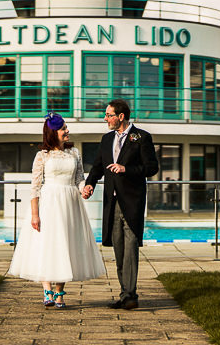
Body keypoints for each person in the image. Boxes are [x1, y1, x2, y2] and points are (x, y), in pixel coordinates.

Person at [8, 113, 105, 309]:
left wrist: (85, 188)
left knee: (66, 244)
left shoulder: (75, 153)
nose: (67, 131)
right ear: (54, 133)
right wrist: (35, 214)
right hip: (49, 203)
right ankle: (47, 289)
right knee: (48, 244)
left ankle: (60, 292)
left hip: (70, 203)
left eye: (66, 128)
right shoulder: (41, 156)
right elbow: (35, 188)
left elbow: (79, 179)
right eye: (63, 129)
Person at [82, 99, 159, 310]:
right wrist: (89, 184)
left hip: (132, 201)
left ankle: (131, 295)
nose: (105, 118)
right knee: (118, 248)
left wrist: (126, 169)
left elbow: (151, 168)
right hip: (112, 202)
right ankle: (125, 293)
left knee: (131, 247)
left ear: (121, 116)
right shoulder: (106, 139)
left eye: (108, 115)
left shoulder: (141, 137)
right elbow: (98, 167)